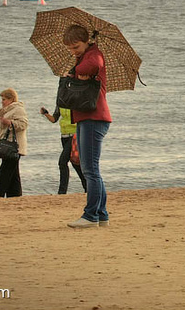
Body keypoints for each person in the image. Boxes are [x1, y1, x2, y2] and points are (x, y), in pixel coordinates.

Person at [63, 24, 112, 228]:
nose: (73, 51)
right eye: (70, 49)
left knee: (90, 170)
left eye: (76, 47)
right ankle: (101, 215)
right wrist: (76, 67)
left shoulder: (94, 54)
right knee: (90, 169)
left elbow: (91, 66)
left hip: (94, 118)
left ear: (87, 41)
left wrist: (74, 71)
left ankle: (90, 215)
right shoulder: (86, 54)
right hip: (86, 117)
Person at [40, 105, 87, 194]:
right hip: (64, 136)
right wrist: (46, 113)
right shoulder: (60, 103)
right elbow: (54, 119)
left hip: (75, 135)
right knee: (75, 163)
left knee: (62, 162)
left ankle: (62, 192)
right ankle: (87, 186)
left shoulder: (76, 102)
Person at [0, 88, 28, 198]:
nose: (2, 102)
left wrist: (9, 123)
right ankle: (15, 196)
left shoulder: (18, 109)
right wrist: (0, 113)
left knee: (5, 171)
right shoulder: (6, 110)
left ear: (11, 99)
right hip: (8, 146)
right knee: (13, 174)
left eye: (4, 99)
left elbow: (23, 124)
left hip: (13, 147)